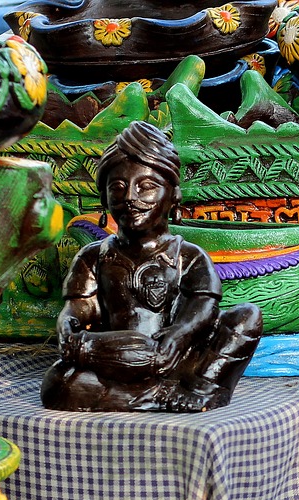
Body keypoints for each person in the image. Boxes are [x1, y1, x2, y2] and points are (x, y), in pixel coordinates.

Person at [42, 120, 262, 413]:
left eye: (146, 187)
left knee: (247, 316)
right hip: (114, 361)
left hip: (177, 358)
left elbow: (203, 306)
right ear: (104, 199)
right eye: (118, 187)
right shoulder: (93, 256)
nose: (130, 198)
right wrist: (68, 324)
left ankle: (200, 387)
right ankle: (156, 395)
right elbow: (81, 308)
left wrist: (180, 333)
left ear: (174, 196)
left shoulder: (188, 255)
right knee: (60, 383)